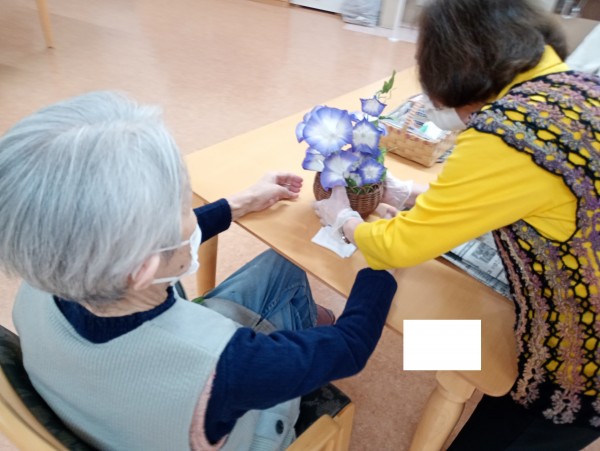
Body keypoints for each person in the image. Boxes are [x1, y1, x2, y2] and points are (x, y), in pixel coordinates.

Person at [0, 91, 398, 450]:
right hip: (227, 423)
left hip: (118, 411)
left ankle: (306, 319)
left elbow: (141, 247)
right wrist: (380, 258)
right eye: (181, 208)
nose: (190, 214)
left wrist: (237, 204)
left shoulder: (44, 267)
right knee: (320, 330)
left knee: (283, 263)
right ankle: (309, 329)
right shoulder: (231, 367)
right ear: (142, 268)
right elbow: (351, 347)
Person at [314, 0, 600, 449]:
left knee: (510, 421)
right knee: (444, 329)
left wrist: (344, 219)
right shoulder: (577, 84)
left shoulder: (505, 134)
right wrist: (410, 194)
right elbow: (526, 192)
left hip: (580, 358)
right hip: (564, 295)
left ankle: (456, 380)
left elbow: (398, 248)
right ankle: (455, 376)